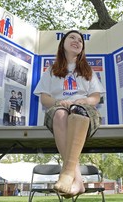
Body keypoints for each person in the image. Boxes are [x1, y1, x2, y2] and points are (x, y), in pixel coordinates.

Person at [34, 30, 105, 198]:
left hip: (83, 110)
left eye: (80, 40)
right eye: (72, 37)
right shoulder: (51, 70)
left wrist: (84, 101)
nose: (76, 41)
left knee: (77, 113)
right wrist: (59, 103)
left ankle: (67, 175)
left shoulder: (88, 70)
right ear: (63, 44)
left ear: (82, 47)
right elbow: (44, 98)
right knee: (60, 115)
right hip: (59, 109)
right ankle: (77, 180)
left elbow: (95, 97)